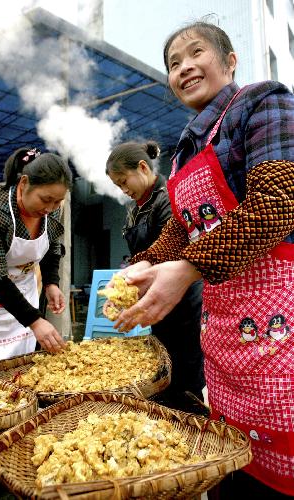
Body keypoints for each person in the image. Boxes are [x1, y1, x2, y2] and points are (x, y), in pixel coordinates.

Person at [111, 21, 294, 498]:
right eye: (174, 63)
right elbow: (181, 228)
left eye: (196, 54)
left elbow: (277, 204)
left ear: (230, 62)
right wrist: (143, 264)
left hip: (278, 326)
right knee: (230, 462)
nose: (184, 67)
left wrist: (188, 267)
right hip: (226, 336)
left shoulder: (262, 101)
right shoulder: (188, 146)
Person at [106, 140, 205, 413]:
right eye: (118, 186)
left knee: (185, 366)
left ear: (142, 167)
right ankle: (168, 412)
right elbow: (144, 256)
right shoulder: (134, 209)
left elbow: (169, 249)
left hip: (182, 296)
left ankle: (190, 417)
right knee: (163, 363)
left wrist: (138, 273)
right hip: (153, 293)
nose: (124, 190)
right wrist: (125, 284)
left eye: (124, 181)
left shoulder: (168, 198)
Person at [0, 147, 72, 372]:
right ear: (23, 184)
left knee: (20, 365)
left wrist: (51, 282)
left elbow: (52, 247)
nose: (50, 208)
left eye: (58, 201)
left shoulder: (52, 212)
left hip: (22, 289)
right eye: (46, 199)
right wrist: (35, 320)